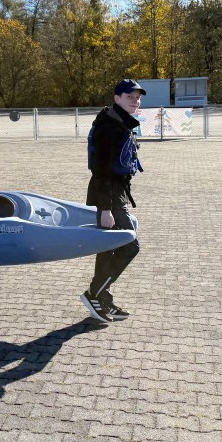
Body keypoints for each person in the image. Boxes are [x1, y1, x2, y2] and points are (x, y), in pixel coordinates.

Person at [80, 79, 144, 323]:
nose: (135, 101)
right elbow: (101, 170)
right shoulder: (110, 126)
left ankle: (102, 298)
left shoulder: (119, 121)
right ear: (117, 98)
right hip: (108, 195)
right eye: (130, 96)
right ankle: (94, 293)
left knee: (109, 248)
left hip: (114, 193)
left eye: (137, 97)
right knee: (129, 245)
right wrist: (105, 208)